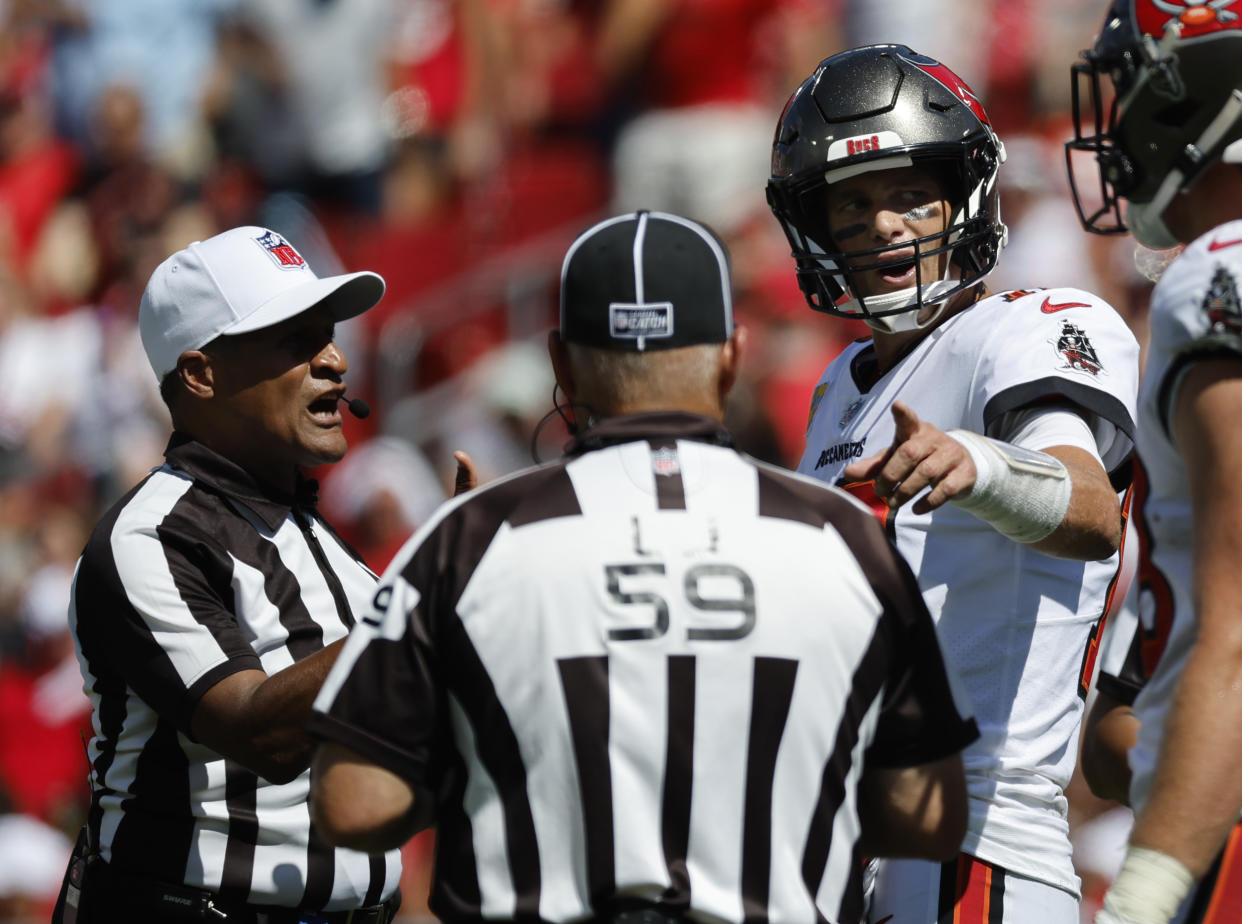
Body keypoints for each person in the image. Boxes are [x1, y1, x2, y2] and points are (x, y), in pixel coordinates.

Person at [306, 209, 979, 923]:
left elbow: (355, 804)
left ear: (561, 363)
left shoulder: (469, 540)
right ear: (731, 356)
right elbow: (926, 814)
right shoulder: (844, 536)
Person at [766, 45, 1141, 922]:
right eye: (852, 203)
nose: (885, 225)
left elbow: (1088, 512)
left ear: (964, 191)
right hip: (860, 847)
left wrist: (980, 467)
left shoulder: (1032, 328)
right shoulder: (837, 390)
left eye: (908, 192)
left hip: (980, 845)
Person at [54, 226, 402, 922]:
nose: (334, 360)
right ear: (201, 374)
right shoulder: (150, 534)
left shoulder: (326, 544)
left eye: (327, 336)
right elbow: (259, 732)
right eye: (294, 340)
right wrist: (422, 609)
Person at [1063, 4, 1242, 922]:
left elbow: (1240, 639)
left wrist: (1147, 892)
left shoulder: (1220, 272)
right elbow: (1117, 730)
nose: (1116, 120)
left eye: (1131, 87)